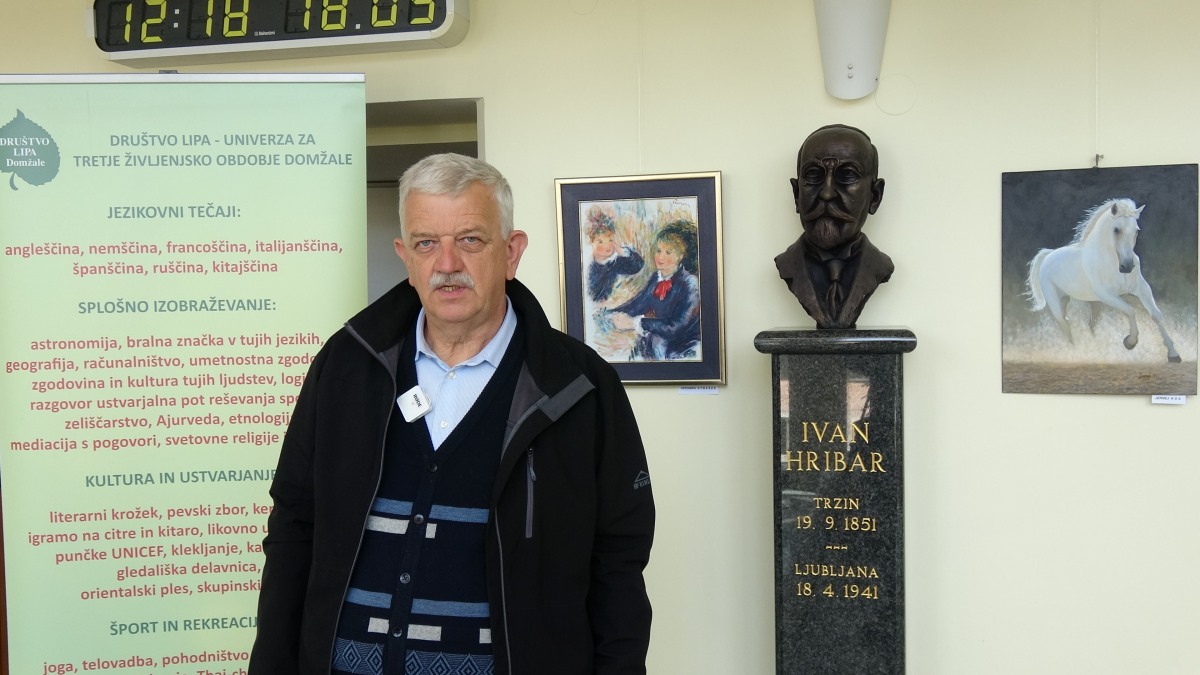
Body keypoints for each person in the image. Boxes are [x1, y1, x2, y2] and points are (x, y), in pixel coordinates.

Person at [249, 153, 655, 674]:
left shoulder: (580, 388)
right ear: (405, 257)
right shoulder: (347, 366)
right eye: (426, 243)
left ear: (511, 252)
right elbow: (294, 527)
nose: (446, 264)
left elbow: (618, 562)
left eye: (470, 240)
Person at [774, 124, 894, 329]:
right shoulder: (786, 264)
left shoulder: (880, 266)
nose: (827, 193)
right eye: (813, 175)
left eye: (847, 175)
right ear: (796, 194)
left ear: (875, 196)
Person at [608, 220, 701, 360]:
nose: (661, 257)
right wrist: (611, 314)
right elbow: (638, 304)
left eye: (668, 252)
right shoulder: (656, 277)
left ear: (680, 256)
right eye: (659, 251)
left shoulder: (689, 283)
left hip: (681, 346)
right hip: (657, 339)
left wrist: (635, 323)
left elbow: (675, 327)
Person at [585, 206, 643, 303]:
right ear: (591, 243)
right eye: (600, 241)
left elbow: (637, 266)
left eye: (611, 240)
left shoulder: (615, 261)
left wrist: (623, 252)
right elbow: (592, 296)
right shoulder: (590, 268)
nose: (607, 245)